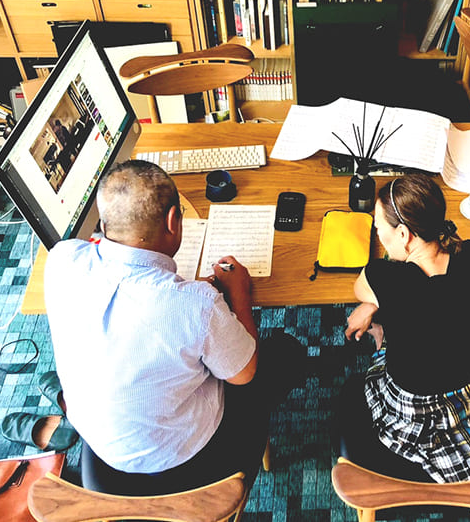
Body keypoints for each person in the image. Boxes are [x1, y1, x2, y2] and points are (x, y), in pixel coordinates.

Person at [43, 159, 305, 495]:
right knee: (285, 352)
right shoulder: (196, 304)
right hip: (187, 463)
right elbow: (245, 373)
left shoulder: (61, 259)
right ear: (173, 221)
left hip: (103, 452)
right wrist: (239, 294)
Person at [337, 173, 470, 484]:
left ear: (403, 234)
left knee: (381, 358)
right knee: (424, 331)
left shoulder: (383, 276)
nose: (379, 235)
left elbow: (360, 290)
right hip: (468, 393)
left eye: (379, 229)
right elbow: (431, 301)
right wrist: (382, 302)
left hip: (412, 409)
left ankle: (383, 337)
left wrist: (373, 305)